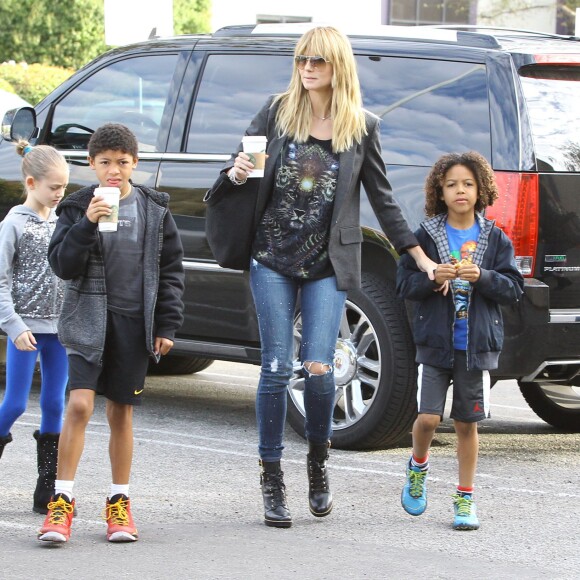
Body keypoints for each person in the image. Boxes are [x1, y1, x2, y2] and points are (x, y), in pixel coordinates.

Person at [214, 26, 438, 528]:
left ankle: (318, 462)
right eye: (301, 59)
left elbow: (383, 200)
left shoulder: (360, 127)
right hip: (271, 256)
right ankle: (272, 478)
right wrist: (236, 171)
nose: (307, 67)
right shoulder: (276, 112)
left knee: (319, 368)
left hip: (326, 265)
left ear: (337, 65)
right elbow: (242, 165)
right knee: (275, 368)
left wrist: (419, 256)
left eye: (317, 59)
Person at [37, 123, 185, 543]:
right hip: (87, 321)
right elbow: (63, 266)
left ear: (135, 163)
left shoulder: (155, 209)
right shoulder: (76, 206)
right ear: (92, 165)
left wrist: (166, 324)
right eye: (105, 163)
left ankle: (119, 504)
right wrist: (86, 223)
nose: (114, 171)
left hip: (133, 324)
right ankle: (60, 502)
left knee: (121, 411)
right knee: (80, 405)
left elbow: (171, 270)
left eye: (122, 162)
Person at [396, 151, 524, 530]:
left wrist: (482, 275)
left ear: (480, 188)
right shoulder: (426, 236)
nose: (460, 190)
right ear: (440, 190)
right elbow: (404, 284)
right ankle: (417, 467)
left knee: (467, 425)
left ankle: (464, 500)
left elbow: (513, 288)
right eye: (451, 184)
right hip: (435, 344)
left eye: (467, 183)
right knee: (428, 417)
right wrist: (434, 275)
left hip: (476, 348)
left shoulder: (495, 237)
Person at [0, 142, 69, 514]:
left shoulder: (63, 222)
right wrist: (13, 325)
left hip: (60, 330)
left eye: (64, 187)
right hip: (24, 330)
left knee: (55, 402)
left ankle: (47, 486)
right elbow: (1, 281)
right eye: (54, 187)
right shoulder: (12, 224)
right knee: (13, 403)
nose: (60, 194)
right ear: (31, 182)